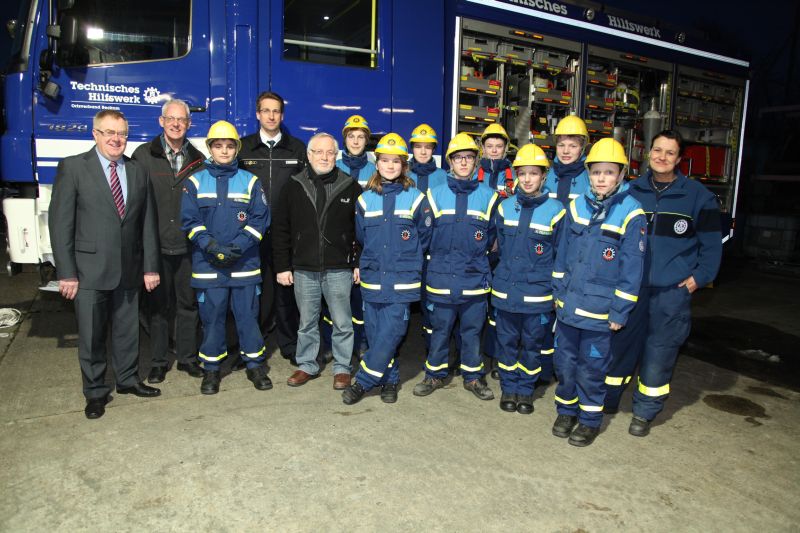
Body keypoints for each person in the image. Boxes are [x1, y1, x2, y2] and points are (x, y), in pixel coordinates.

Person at [606, 130, 722, 437]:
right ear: (649, 153)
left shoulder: (698, 196)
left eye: (670, 153)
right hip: (630, 289)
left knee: (659, 352)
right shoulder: (630, 191)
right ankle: (608, 399)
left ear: (680, 159)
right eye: (657, 150)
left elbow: (712, 246)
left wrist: (698, 279)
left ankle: (644, 412)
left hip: (671, 292)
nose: (662, 157)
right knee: (619, 346)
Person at [49, 109, 162, 420]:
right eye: (109, 132)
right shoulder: (73, 168)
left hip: (128, 268)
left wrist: (150, 266)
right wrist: (67, 273)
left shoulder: (137, 171)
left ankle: (127, 380)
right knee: (92, 335)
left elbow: (146, 223)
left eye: (122, 133)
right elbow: (61, 226)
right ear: (95, 134)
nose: (116, 139)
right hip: (89, 272)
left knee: (128, 332)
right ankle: (96, 391)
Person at [551, 137, 646, 447]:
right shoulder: (576, 205)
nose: (601, 178)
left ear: (621, 174)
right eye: (596, 172)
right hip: (568, 305)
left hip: (600, 313)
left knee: (592, 369)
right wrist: (557, 291)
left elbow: (633, 269)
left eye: (608, 172)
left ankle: (590, 420)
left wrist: (620, 312)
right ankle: (566, 411)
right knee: (564, 364)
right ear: (588, 174)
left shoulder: (632, 213)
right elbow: (563, 253)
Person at [181, 121, 271, 395]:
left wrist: (237, 247)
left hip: (244, 265)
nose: (224, 150)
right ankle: (211, 371)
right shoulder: (195, 181)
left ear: (236, 149)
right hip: (208, 267)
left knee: (247, 318)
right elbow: (190, 221)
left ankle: (255, 366)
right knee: (212, 320)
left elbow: (260, 220)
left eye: (229, 145)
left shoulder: (251, 181)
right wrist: (210, 246)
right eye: (218, 145)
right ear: (210, 148)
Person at [342, 133, 432, 405]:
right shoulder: (365, 200)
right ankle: (390, 380)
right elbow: (361, 237)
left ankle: (364, 381)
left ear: (404, 165)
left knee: (392, 331)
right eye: (385, 160)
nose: (390, 166)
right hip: (372, 277)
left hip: (402, 280)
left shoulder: (416, 198)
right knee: (377, 332)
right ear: (377, 163)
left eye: (396, 161)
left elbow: (424, 238)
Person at [272, 132, 362, 390]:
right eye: (318, 152)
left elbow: (360, 230)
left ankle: (342, 368)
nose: (324, 157)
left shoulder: (350, 186)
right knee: (307, 321)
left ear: (337, 156)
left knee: (343, 322)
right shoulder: (293, 185)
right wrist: (282, 266)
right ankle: (307, 364)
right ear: (309, 155)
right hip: (303, 268)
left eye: (329, 152)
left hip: (338, 268)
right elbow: (281, 229)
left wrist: (356, 262)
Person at [413, 133, 498, 401]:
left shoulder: (489, 196)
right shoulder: (433, 195)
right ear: (450, 160)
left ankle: (473, 377)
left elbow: (494, 239)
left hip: (474, 279)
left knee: (472, 331)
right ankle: (435, 374)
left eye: (469, 157)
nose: (464, 162)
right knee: (439, 330)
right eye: (459, 157)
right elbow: (423, 237)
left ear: (476, 161)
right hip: (440, 277)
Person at [132, 99, 205, 384]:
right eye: (170, 119)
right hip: (156, 246)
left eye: (182, 120)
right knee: (157, 307)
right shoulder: (142, 156)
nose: (176, 124)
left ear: (189, 124)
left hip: (188, 247)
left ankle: (187, 358)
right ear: (161, 122)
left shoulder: (198, 159)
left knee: (188, 305)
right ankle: (159, 361)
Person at [491, 144, 565, 415]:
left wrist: (558, 294)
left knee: (533, 346)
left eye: (534, 174)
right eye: (523, 174)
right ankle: (509, 387)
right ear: (516, 175)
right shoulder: (504, 207)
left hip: (538, 296)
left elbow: (561, 257)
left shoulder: (557, 211)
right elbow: (496, 247)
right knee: (506, 343)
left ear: (544, 176)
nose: (528, 179)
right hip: (506, 292)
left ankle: (525, 390)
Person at [238, 91, 305, 365]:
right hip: (250, 233)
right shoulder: (242, 148)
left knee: (286, 291)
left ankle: (289, 345)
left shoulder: (297, 149)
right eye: (266, 111)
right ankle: (253, 346)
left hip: (285, 234)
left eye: (276, 111)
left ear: (282, 115)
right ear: (257, 114)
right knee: (254, 292)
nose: (271, 116)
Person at [538, 115, 592, 384]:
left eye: (573, 145)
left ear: (583, 147)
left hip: (573, 260)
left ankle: (567, 372)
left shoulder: (590, 179)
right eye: (562, 145)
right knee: (542, 318)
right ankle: (543, 370)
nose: (567, 151)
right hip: (542, 256)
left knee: (568, 318)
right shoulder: (543, 174)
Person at [320, 114, 374, 358]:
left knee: (359, 298)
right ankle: (331, 345)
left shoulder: (376, 170)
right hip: (337, 241)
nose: (356, 141)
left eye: (361, 137)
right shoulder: (334, 166)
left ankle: (360, 343)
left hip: (364, 241)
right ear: (344, 139)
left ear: (367, 140)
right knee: (334, 296)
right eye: (351, 136)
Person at [477, 123, 516, 378]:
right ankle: (476, 352)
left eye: (498, 146)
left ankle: (498, 356)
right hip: (479, 246)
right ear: (482, 148)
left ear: (505, 149)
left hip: (504, 248)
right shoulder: (472, 172)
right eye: (489, 146)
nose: (494, 150)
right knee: (477, 303)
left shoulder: (516, 174)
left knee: (499, 306)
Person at [407, 123, 448, 350]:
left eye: (428, 147)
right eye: (418, 147)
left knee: (430, 302)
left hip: (434, 250)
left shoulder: (444, 177)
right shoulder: (403, 174)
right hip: (408, 248)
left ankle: (432, 348)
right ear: (412, 148)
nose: (423, 151)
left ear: (434, 150)